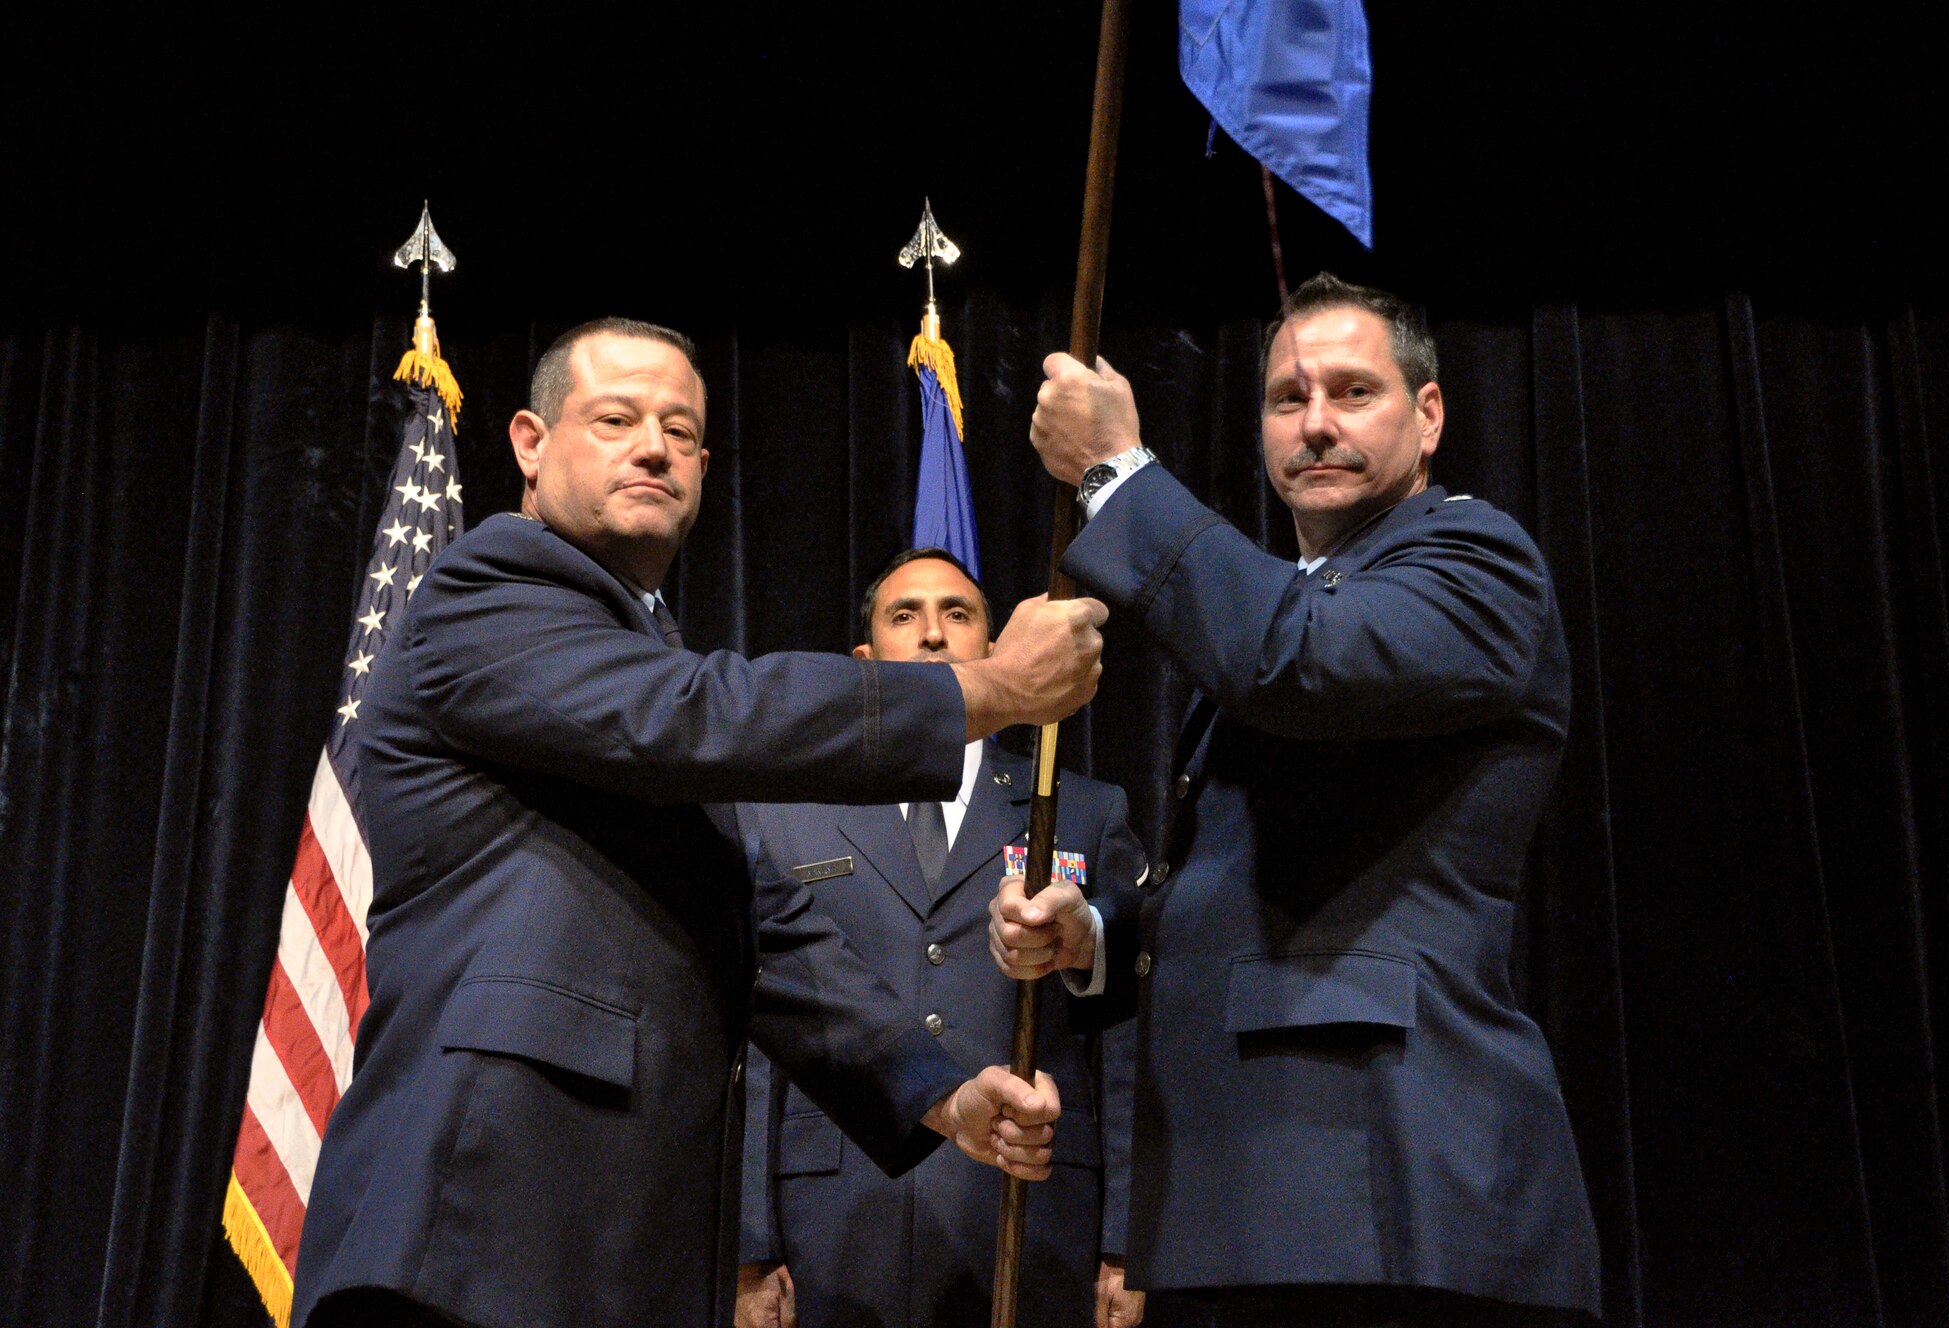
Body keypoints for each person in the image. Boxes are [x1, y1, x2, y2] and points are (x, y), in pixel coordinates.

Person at [292, 318, 1113, 1328]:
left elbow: (762, 927)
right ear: (528, 441)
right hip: (474, 1225)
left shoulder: (635, 662)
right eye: (616, 417)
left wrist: (937, 1092)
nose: (652, 445)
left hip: (611, 1242)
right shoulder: (485, 590)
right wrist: (984, 688)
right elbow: (690, 713)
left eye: (680, 431)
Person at [993, 274, 1602, 1327]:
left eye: (1353, 390)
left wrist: (1114, 470)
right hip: (1244, 1195)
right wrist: (1092, 930)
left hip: (1384, 1189)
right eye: (1286, 398)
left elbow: (1291, 661)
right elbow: (1238, 874)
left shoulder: (1473, 560)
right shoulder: (1300, 591)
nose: (1315, 421)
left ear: (1428, 414)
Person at [735, 548, 1149, 1328]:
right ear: (864, 661)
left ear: (995, 652)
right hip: (833, 1222)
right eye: (905, 615)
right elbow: (758, 1049)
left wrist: (1128, 1243)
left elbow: (1124, 1042)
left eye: (956, 614)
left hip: (1035, 1215)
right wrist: (750, 1246)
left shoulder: (1081, 812)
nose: (932, 635)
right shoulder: (785, 814)